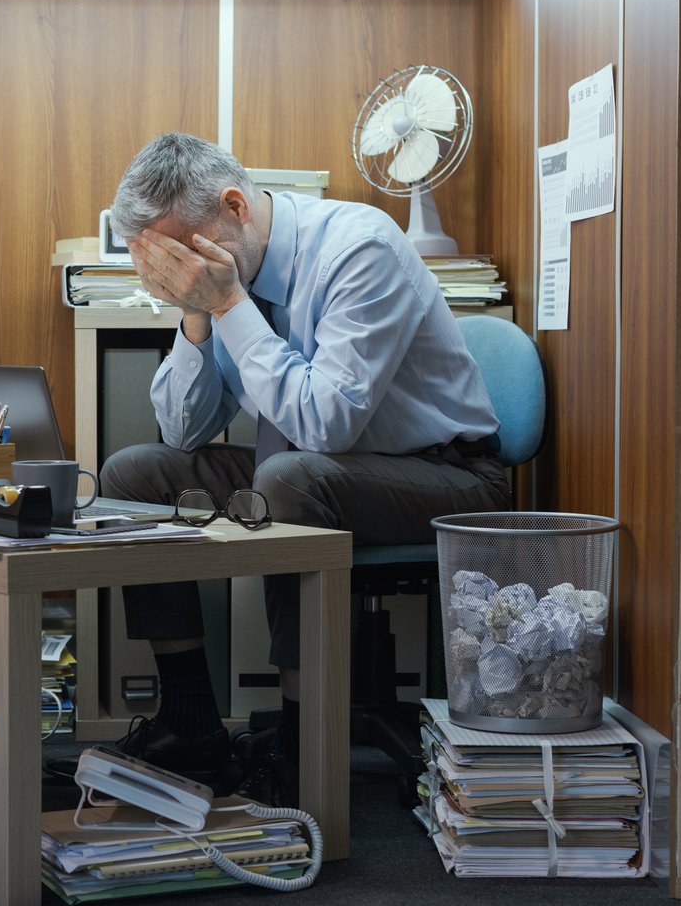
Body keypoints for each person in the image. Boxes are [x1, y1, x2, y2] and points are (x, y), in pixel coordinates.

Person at [101, 132, 510, 800]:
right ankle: (192, 722)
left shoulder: (359, 248)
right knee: (133, 476)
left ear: (235, 207)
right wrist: (196, 313)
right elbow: (182, 427)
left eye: (181, 254)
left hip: (447, 477)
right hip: (304, 465)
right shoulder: (226, 277)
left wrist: (230, 306)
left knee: (289, 477)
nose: (180, 272)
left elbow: (326, 425)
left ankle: (300, 745)